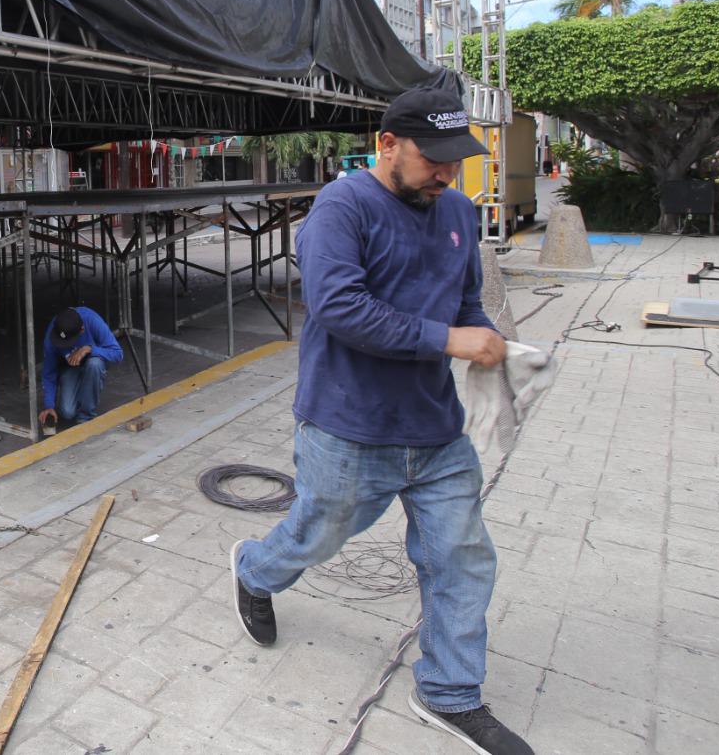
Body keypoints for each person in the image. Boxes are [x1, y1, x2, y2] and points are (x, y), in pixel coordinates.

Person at [228, 86, 532, 755]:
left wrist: (494, 347)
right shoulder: (341, 208)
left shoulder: (455, 209)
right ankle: (255, 570)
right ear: (387, 145)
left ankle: (451, 692)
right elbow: (341, 309)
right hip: (347, 426)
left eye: (458, 160)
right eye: (435, 159)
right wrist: (453, 342)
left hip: (436, 432)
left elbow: (465, 304)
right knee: (317, 536)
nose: (448, 174)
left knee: (461, 554)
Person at [38, 306, 122, 432]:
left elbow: (118, 354)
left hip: (93, 362)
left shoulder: (92, 320)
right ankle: (83, 392)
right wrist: (49, 406)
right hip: (70, 367)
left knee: (94, 364)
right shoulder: (53, 335)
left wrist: (89, 349)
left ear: (82, 330)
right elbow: (49, 373)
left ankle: (86, 416)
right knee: (67, 413)